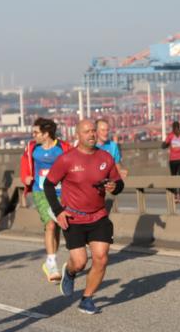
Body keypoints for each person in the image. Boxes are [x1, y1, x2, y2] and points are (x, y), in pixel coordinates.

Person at [46, 119, 124, 314]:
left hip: (98, 216)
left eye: (94, 131)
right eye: (87, 131)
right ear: (78, 135)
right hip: (74, 218)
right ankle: (70, 272)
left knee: (101, 258)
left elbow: (118, 183)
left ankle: (87, 298)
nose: (92, 134)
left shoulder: (105, 157)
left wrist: (115, 187)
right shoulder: (67, 159)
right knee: (80, 262)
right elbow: (48, 184)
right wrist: (58, 211)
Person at [19, 118, 73, 282]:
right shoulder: (32, 148)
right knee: (49, 224)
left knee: (57, 225)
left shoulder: (63, 148)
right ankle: (51, 263)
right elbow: (24, 163)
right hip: (40, 191)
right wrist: (25, 178)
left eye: (36, 132)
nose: (33, 135)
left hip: (60, 191)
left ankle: (51, 261)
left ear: (46, 134)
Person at [162, 120, 180, 203]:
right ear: (179, 127)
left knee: (173, 177)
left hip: (173, 160)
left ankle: (175, 196)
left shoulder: (170, 136)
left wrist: (167, 143)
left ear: (173, 128)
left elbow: (163, 146)